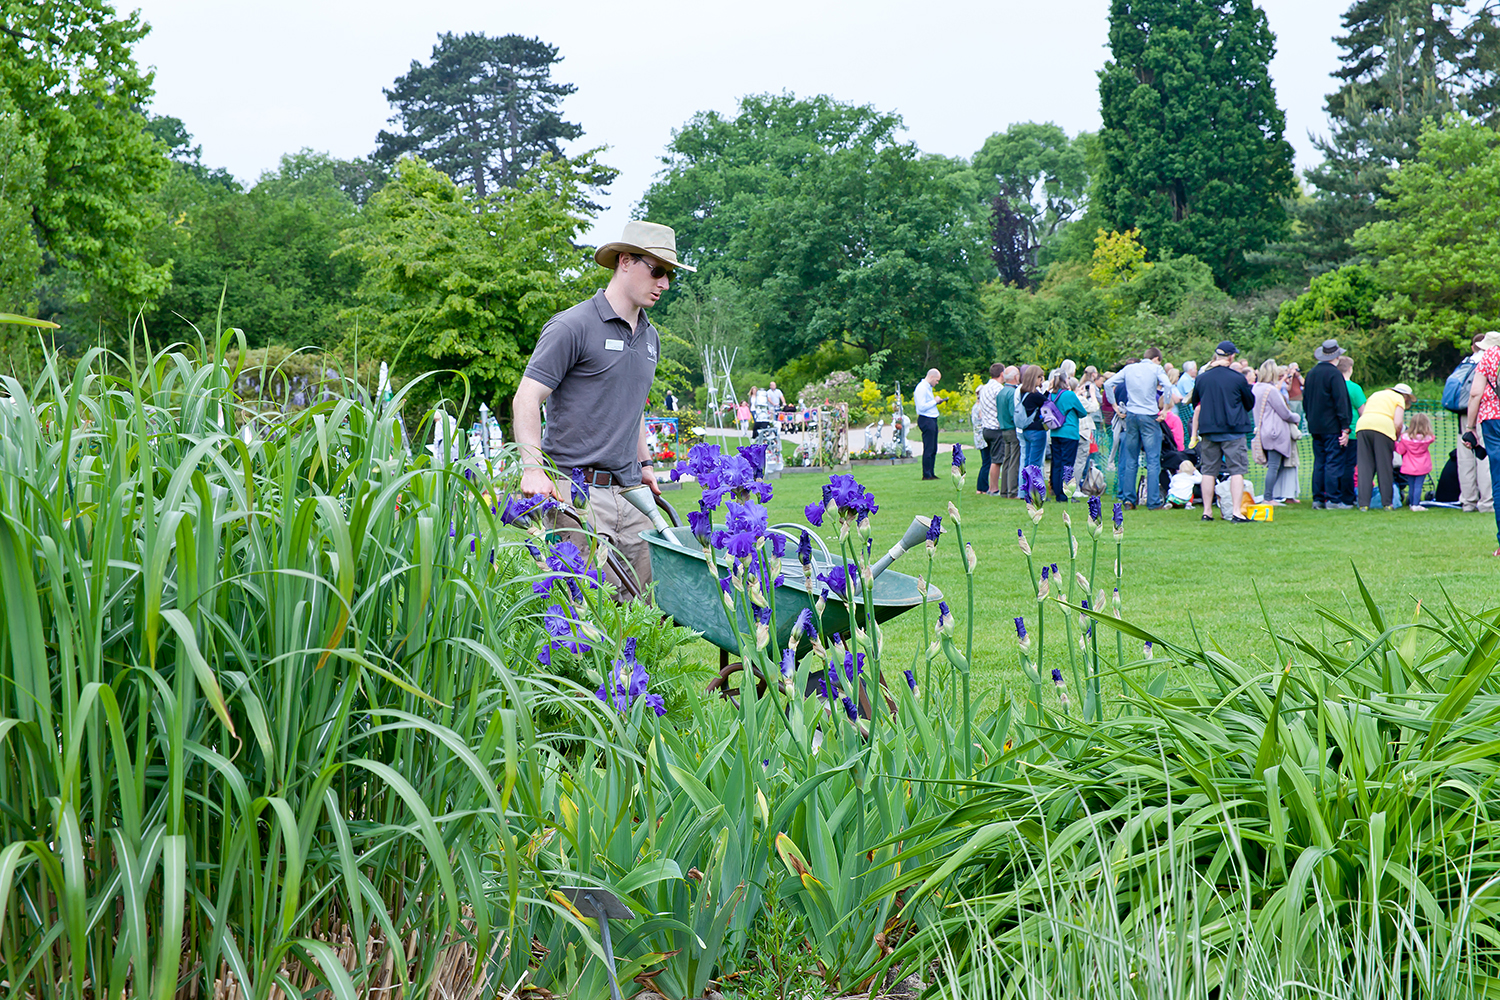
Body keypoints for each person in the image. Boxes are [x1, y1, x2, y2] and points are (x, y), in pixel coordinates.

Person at [514, 220, 694, 596]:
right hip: (578, 493)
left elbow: (634, 408)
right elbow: (526, 398)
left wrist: (645, 465)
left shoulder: (650, 336)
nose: (663, 284)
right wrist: (532, 468)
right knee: (589, 611)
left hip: (631, 494)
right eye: (657, 271)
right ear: (625, 261)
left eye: (670, 276)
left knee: (645, 613)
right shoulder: (573, 326)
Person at [1190, 341, 1256, 523]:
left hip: (1209, 430)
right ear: (1231, 356)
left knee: (1208, 471)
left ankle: (1207, 512)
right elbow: (1250, 402)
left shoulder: (1202, 378)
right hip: (1233, 429)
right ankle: (1236, 512)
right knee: (1237, 471)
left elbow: (1196, 401)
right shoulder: (1237, 378)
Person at [1103, 347, 1174, 509]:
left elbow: (1108, 384)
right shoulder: (1156, 368)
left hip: (1131, 415)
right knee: (1153, 460)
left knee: (1130, 459)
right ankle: (1153, 501)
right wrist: (1164, 410)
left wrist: (1114, 405)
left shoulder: (1129, 368)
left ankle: (1128, 500)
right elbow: (1168, 387)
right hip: (1149, 415)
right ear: (1156, 359)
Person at [1303, 339, 1353, 509]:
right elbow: (1341, 402)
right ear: (1336, 356)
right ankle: (1333, 499)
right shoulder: (1334, 374)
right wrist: (1345, 427)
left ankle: (1318, 498)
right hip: (1332, 426)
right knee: (1333, 461)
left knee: (1320, 461)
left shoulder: (1311, 374)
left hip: (1315, 425)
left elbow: (1306, 401)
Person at [1462, 330, 1500, 555]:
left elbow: (1475, 393)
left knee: (1499, 481)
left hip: (1493, 421)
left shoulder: (1488, 358)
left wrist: (1470, 427)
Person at [1355, 381, 1414, 510]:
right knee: (1384, 466)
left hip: (1362, 426)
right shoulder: (1399, 398)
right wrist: (1397, 437)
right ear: (1405, 396)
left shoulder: (1376, 394)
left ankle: (1363, 504)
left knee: (1365, 467)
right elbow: (1398, 422)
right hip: (1383, 428)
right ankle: (1387, 503)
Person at [1251, 358, 1299, 504]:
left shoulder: (1256, 388)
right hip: (1274, 431)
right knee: (1273, 466)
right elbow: (1284, 412)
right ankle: (1268, 497)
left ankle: (1271, 495)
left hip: (1262, 429)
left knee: (1273, 465)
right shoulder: (1271, 390)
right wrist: (1295, 416)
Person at [1457, 331, 1494, 513]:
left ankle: (1468, 502)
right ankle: (1487, 502)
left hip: (1463, 414)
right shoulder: (1488, 360)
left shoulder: (1466, 362)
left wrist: (1468, 426)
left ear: (1473, 347)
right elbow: (1476, 392)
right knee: (1487, 460)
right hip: (1484, 413)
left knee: (1465, 460)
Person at [1046, 371, 1089, 501]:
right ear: (1066, 382)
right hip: (1069, 432)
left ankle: (1058, 491)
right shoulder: (1069, 395)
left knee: (1057, 463)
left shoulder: (1051, 395)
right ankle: (1066, 494)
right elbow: (1082, 412)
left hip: (1055, 431)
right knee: (1068, 464)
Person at [1336, 355, 1365, 507]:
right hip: (1352, 431)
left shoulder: (1332, 386)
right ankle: (1347, 497)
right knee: (1349, 465)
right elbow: (1363, 412)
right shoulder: (1354, 388)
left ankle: (1333, 495)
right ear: (1350, 369)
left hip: (1335, 431)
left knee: (1335, 464)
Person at [1015, 364, 1049, 482]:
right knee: (1035, 463)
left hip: (1026, 430)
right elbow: (1047, 403)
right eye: (1041, 377)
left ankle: (1025, 489)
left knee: (1027, 461)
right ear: (1036, 378)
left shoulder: (1023, 393)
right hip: (1037, 431)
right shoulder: (1035, 394)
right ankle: (1034, 490)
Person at [1396, 411, 1435, 510]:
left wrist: (1396, 443)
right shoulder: (1427, 439)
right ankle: (1416, 504)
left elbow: (1400, 450)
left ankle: (1411, 503)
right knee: (1418, 485)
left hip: (1409, 465)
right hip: (1422, 465)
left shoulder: (1405, 438)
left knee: (1411, 485)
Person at [976, 363, 1005, 496]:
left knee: (989, 459)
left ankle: (989, 487)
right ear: (1002, 374)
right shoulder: (998, 389)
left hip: (986, 427)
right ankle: (993, 488)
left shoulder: (984, 388)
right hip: (996, 428)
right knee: (996, 460)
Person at [915, 368, 944, 480]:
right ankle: (926, 474)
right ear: (931, 377)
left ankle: (931, 472)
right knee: (929, 447)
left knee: (933, 447)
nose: (937, 383)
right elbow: (921, 407)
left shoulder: (927, 388)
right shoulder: (921, 388)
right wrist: (934, 401)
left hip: (931, 418)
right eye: (936, 380)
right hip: (926, 418)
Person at [996, 365, 1021, 497]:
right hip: (1012, 428)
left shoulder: (1001, 391)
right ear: (1016, 377)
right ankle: (1012, 490)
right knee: (1014, 460)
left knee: (1006, 459)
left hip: (1003, 429)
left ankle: (1004, 490)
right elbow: (1013, 413)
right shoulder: (1012, 393)